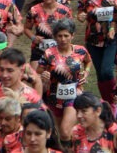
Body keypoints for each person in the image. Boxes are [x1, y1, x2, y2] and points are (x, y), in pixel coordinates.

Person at [37, 18, 91, 147]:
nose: (63, 39)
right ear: (55, 37)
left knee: (65, 131)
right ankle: (75, 148)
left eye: (66, 35)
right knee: (60, 133)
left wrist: (86, 73)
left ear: (72, 36)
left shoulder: (80, 51)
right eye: (59, 36)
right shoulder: (48, 54)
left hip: (74, 95)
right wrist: (43, 76)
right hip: (54, 97)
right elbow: (36, 73)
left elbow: (88, 61)